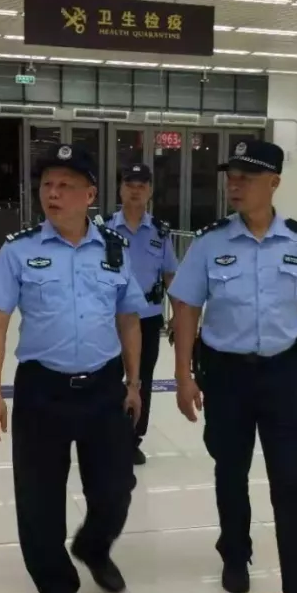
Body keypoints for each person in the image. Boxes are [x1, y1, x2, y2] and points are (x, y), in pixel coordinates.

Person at [168, 139, 297, 593]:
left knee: (290, 478)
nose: (235, 184)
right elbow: (186, 308)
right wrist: (183, 376)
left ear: (274, 182)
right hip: (226, 374)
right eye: (232, 176)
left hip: (283, 373)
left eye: (247, 176)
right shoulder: (210, 242)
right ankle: (234, 552)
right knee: (231, 469)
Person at [0, 143, 146, 593]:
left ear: (89, 195)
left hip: (103, 387)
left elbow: (129, 318)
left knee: (116, 488)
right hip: (42, 390)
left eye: (65, 186)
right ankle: (56, 589)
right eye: (47, 185)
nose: (52, 193)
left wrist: (134, 383)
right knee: (39, 500)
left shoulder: (114, 248)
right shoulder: (20, 250)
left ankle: (94, 546)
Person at [106, 163, 178, 466]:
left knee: (142, 379)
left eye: (141, 185)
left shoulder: (160, 232)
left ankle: (133, 438)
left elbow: (170, 274)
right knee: (108, 377)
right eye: (129, 184)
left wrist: (178, 314)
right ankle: (107, 437)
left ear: (150, 191)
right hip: (110, 318)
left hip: (147, 318)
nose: (135, 191)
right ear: (120, 189)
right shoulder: (103, 228)